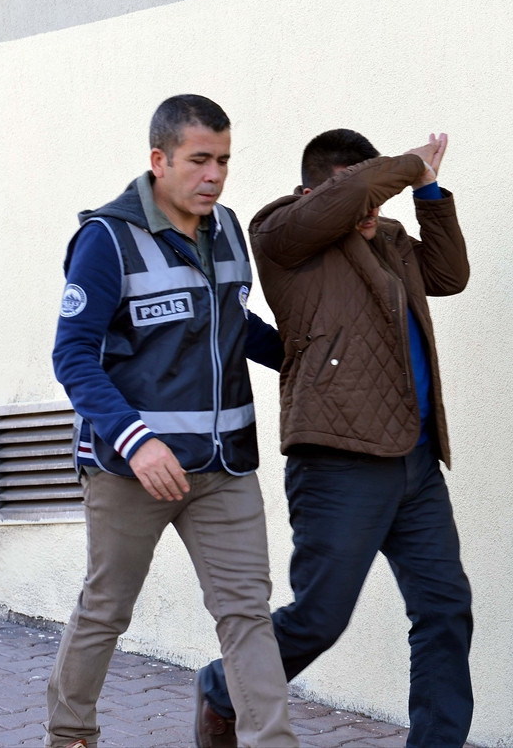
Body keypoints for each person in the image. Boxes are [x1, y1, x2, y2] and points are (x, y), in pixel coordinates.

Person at [195, 129, 473, 748]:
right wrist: (402, 165)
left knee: (445, 608)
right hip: (338, 459)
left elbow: (449, 274)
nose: (369, 210)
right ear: (311, 192)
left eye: (374, 198)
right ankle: (223, 687)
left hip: (417, 459)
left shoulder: (390, 240)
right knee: (320, 618)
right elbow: (345, 199)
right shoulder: (282, 232)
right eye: (359, 195)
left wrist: (428, 190)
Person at [47, 95, 297, 748]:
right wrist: (136, 441)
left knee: (246, 615)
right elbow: (73, 356)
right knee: (107, 608)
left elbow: (231, 322)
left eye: (224, 160)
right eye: (199, 160)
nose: (214, 175)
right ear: (159, 160)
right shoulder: (107, 240)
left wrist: (303, 357)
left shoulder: (228, 228)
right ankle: (70, 736)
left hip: (224, 467)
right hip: (131, 469)